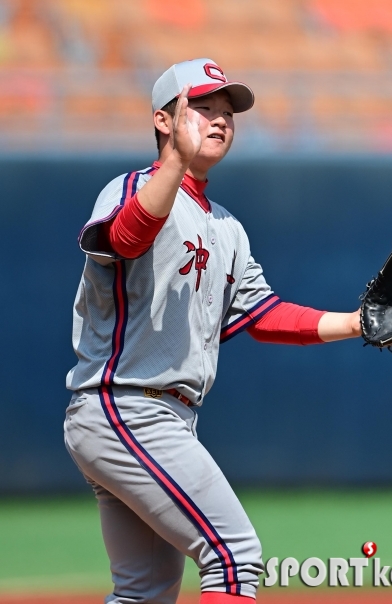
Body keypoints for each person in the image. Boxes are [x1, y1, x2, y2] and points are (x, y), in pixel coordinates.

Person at [64, 58, 361, 604]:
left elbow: (264, 314)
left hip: (162, 418)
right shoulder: (129, 188)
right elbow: (127, 239)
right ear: (163, 119)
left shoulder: (227, 226)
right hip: (125, 407)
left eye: (228, 111)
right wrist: (173, 162)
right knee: (233, 555)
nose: (220, 119)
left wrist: (358, 323)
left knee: (144, 593)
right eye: (202, 107)